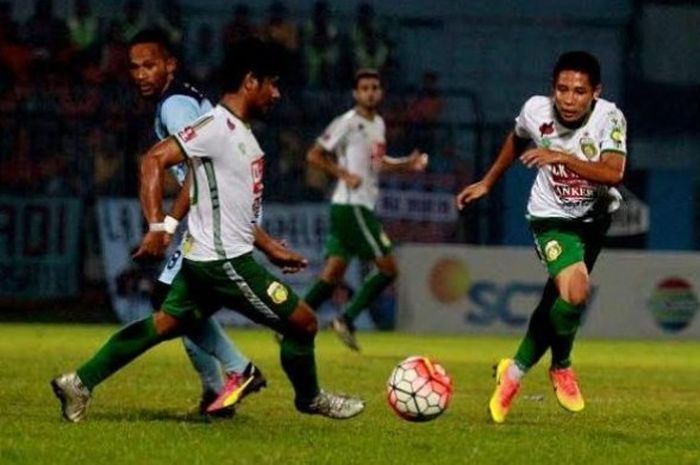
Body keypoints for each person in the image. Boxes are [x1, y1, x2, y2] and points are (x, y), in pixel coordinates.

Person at [50, 37, 365, 423]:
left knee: (164, 322)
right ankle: (309, 397)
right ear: (251, 82)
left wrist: (268, 246)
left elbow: (228, 203)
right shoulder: (216, 126)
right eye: (273, 84)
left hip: (208, 257)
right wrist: (157, 226)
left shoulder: (237, 131)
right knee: (303, 322)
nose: (277, 94)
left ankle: (78, 382)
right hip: (224, 262)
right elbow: (154, 160)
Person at [455, 51, 627, 423]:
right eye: (562, 89)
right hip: (551, 218)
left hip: (595, 220)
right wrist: (488, 181)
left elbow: (614, 173)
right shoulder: (536, 110)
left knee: (557, 304)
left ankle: (512, 374)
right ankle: (561, 365)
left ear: (595, 92)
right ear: (552, 90)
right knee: (575, 292)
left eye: (579, 91)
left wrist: (563, 159)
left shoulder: (610, 118)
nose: (568, 99)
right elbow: (516, 138)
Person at [125, 28, 266, 417]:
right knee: (180, 306)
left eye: (150, 65)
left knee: (170, 303)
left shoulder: (175, 107)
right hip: (221, 210)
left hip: (222, 215)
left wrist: (165, 227)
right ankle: (214, 396)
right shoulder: (179, 99)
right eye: (134, 68)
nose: (141, 74)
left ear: (170, 64)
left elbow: (198, 171)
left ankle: (239, 370)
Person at [304, 68, 428, 351]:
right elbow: (313, 154)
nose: (370, 92)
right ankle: (346, 319)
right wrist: (343, 174)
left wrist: (406, 164)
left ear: (380, 92)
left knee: (333, 274)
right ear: (356, 94)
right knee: (388, 268)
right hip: (352, 205)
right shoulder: (347, 122)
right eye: (365, 88)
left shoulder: (379, 124)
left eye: (375, 87)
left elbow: (378, 162)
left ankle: (290, 323)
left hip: (354, 205)